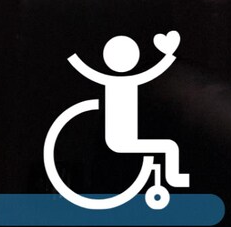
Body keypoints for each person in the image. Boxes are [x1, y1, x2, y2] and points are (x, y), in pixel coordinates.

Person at [67, 31, 188, 186]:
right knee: (169, 147)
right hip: (121, 150)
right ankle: (174, 177)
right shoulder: (140, 90)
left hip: (116, 162)